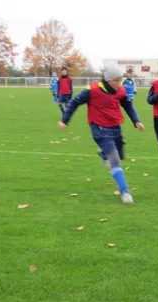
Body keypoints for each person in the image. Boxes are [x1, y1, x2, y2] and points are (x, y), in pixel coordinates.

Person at [58, 65, 145, 204]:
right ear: (107, 79)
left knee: (120, 155)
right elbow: (74, 102)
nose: (118, 83)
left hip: (116, 128)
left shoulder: (120, 90)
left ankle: (103, 154)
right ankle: (125, 191)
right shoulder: (91, 90)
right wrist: (65, 120)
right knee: (115, 160)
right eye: (115, 80)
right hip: (99, 130)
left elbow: (128, 105)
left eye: (120, 80)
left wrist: (136, 121)